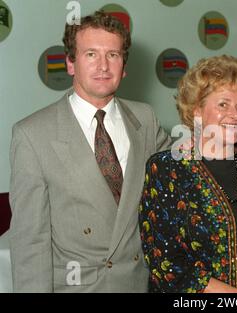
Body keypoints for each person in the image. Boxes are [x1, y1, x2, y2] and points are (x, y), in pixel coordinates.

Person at [9, 11, 171, 292]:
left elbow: (185, 169)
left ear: (125, 66)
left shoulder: (145, 119)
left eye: (113, 55)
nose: (104, 66)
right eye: (91, 55)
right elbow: (29, 243)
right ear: (70, 63)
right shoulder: (32, 134)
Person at [139, 55, 237, 293]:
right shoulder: (167, 170)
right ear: (197, 110)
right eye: (223, 104)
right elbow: (164, 260)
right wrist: (235, 297)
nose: (235, 114)